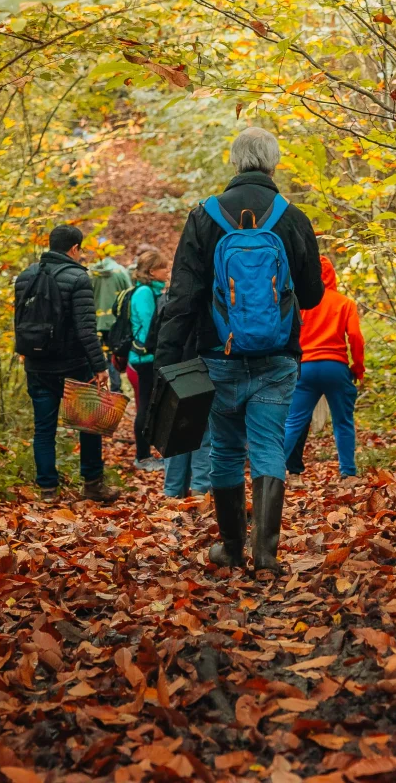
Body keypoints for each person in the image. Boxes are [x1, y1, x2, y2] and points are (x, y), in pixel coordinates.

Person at [153, 127, 325, 573]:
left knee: (227, 451)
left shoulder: (204, 217)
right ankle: (266, 553)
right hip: (277, 359)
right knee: (268, 446)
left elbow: (183, 298)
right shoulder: (292, 218)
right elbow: (310, 297)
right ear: (274, 163)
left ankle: (231, 550)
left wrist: (167, 362)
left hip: (217, 358)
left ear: (235, 162)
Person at [14, 225, 122, 503]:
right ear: (74, 249)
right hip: (74, 366)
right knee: (88, 425)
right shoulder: (78, 278)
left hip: (37, 365)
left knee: (43, 428)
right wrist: (99, 367)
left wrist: (24, 352)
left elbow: (19, 320)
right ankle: (93, 484)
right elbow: (86, 329)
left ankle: (48, 490)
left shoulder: (26, 275)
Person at [283, 256, 365, 478]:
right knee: (343, 422)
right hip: (335, 367)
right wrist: (358, 368)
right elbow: (356, 336)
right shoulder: (344, 303)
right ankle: (347, 474)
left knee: (293, 422)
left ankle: (272, 472)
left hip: (305, 367)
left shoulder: (299, 303)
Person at [125, 249, 170, 471]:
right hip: (144, 358)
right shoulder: (144, 293)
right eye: (163, 267)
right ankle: (142, 456)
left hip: (150, 357)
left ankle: (151, 453)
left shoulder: (153, 291)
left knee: (152, 404)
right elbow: (148, 327)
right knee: (145, 405)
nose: (167, 271)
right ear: (152, 271)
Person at [89, 247, 133, 393]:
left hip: (95, 323)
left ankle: (98, 392)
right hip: (115, 323)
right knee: (112, 356)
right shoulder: (120, 271)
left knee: (96, 358)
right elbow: (129, 294)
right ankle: (115, 390)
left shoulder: (91, 273)